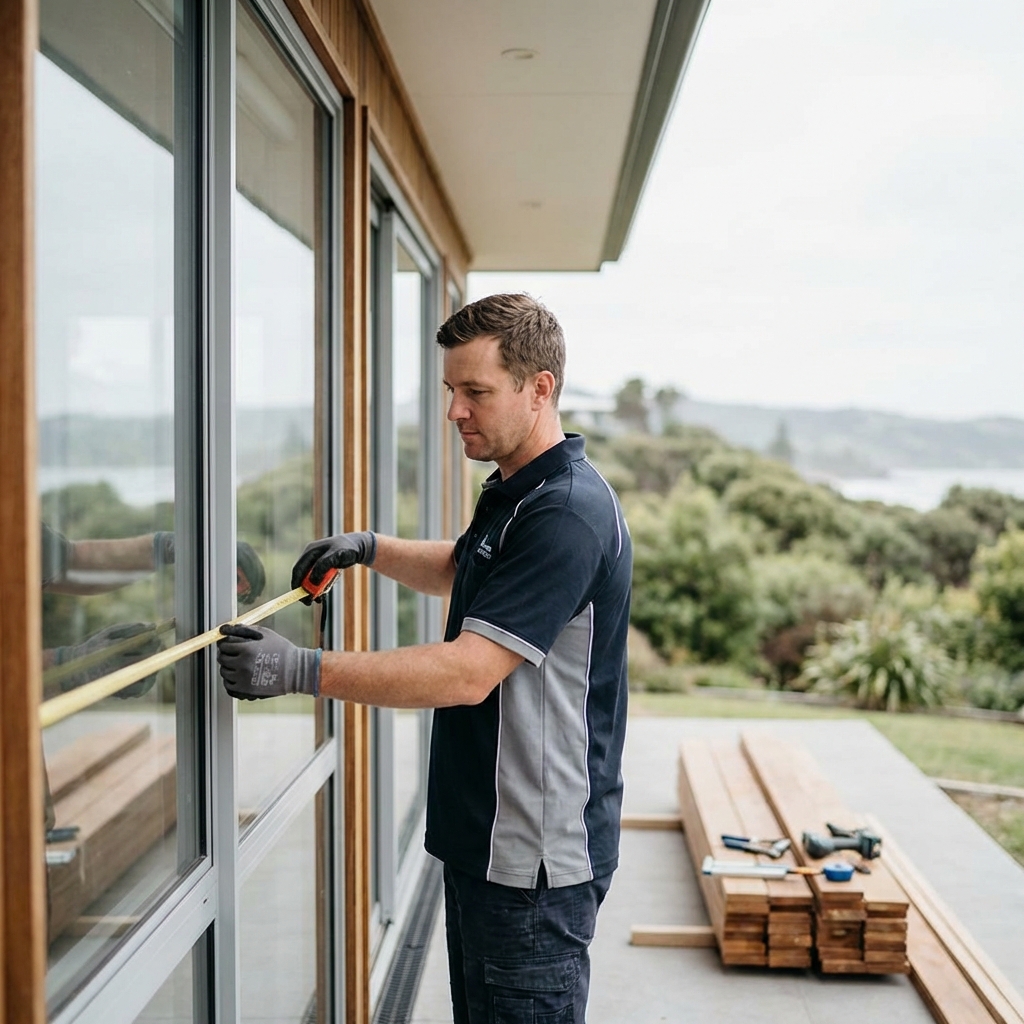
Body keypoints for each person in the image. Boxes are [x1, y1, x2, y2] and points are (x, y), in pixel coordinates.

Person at [217, 293, 632, 1024]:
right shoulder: (517, 490)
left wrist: (302, 670)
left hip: (531, 865)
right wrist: (371, 550)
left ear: (541, 389)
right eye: (450, 390)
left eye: (475, 392)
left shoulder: (565, 513)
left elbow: (467, 673)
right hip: (487, 843)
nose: (455, 412)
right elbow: (468, 568)